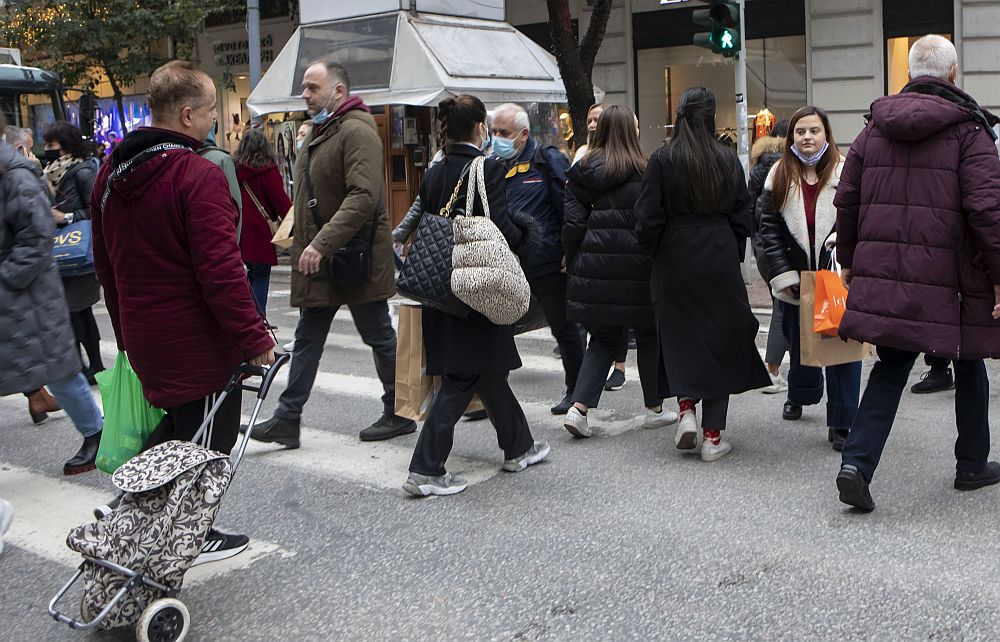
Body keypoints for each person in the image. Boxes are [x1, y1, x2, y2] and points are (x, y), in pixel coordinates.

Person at [92, 60, 275, 561]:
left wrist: (124, 330)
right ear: (189, 113)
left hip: (146, 333)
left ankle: (129, 509)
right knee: (207, 440)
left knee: (179, 426)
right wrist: (255, 338)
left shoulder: (111, 173)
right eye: (213, 109)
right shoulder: (196, 174)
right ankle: (183, 530)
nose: (216, 119)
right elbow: (221, 270)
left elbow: (104, 264)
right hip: (196, 340)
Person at [833, 35, 1000, 511]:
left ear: (908, 76)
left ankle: (856, 465)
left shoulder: (872, 130)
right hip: (954, 281)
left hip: (887, 273)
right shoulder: (971, 132)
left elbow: (846, 201)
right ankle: (972, 464)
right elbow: (988, 211)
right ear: (953, 74)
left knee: (889, 366)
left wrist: (849, 261)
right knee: (968, 360)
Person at [245, 59, 416, 445]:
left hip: (353, 257)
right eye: (304, 87)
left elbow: (363, 196)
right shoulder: (326, 130)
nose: (305, 94)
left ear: (338, 91)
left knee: (378, 335)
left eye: (312, 87)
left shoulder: (355, 130)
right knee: (308, 338)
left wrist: (321, 243)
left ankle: (400, 412)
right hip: (329, 258)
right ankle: (288, 419)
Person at [403, 95, 549, 496]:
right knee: (463, 375)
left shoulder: (433, 172)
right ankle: (426, 469)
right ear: (480, 128)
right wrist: (526, 235)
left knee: (488, 371)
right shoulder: (486, 169)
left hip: (442, 286)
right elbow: (499, 226)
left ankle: (519, 447)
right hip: (478, 288)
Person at [636, 87, 771, 462]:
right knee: (719, 341)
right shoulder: (727, 160)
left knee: (680, 338)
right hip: (719, 253)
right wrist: (730, 248)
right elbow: (744, 214)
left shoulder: (662, 159)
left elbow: (647, 218)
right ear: (711, 118)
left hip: (674, 255)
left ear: (679, 115)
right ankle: (713, 436)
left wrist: (656, 253)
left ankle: (685, 410)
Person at [562, 105, 678, 438]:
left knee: (601, 339)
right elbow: (657, 221)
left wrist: (575, 260)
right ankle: (654, 408)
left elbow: (572, 224)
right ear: (631, 131)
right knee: (648, 336)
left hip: (595, 265)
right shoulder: (647, 170)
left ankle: (579, 408)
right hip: (641, 266)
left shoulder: (582, 169)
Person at [1, 116, 105, 475]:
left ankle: (95, 431)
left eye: (51, 143)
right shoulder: (23, 172)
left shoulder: (17, 175)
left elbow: (38, 232)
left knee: (58, 365)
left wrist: (6, 276)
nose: (47, 150)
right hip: (23, 289)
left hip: (31, 289)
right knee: (55, 362)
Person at [758, 107, 862, 452]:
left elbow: (861, 220)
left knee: (840, 351)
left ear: (826, 134)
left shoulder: (847, 172)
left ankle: (843, 421)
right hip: (796, 278)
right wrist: (781, 274)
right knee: (801, 347)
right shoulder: (778, 173)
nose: (806, 137)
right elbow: (768, 231)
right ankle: (801, 394)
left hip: (835, 276)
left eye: (814, 131)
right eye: (800, 131)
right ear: (792, 138)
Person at [492, 102, 584, 415]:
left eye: (503, 133)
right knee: (498, 329)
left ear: (523, 134)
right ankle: (491, 392)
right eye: (493, 132)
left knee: (564, 328)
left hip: (547, 264)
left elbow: (569, 208)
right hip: (508, 266)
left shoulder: (547, 160)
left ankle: (576, 393)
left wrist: (570, 252)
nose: (497, 138)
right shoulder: (495, 166)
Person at [42, 122, 105, 385]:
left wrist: (66, 216)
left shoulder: (82, 171)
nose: (46, 150)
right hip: (61, 253)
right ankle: (85, 366)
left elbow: (97, 210)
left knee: (79, 310)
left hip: (79, 253)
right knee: (73, 312)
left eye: (51, 145)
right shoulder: (51, 173)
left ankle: (93, 365)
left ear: (65, 145)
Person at [748, 118, 790, 394]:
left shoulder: (758, 164)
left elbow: (750, 208)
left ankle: (777, 368)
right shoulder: (785, 166)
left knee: (782, 304)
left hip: (762, 245)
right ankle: (772, 369)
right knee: (782, 305)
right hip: (778, 246)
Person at [233, 128, 293, 318]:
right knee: (261, 276)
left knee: (248, 276)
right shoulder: (268, 171)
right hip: (260, 234)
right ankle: (258, 319)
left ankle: (248, 319)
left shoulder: (234, 170)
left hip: (240, 231)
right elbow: (282, 204)